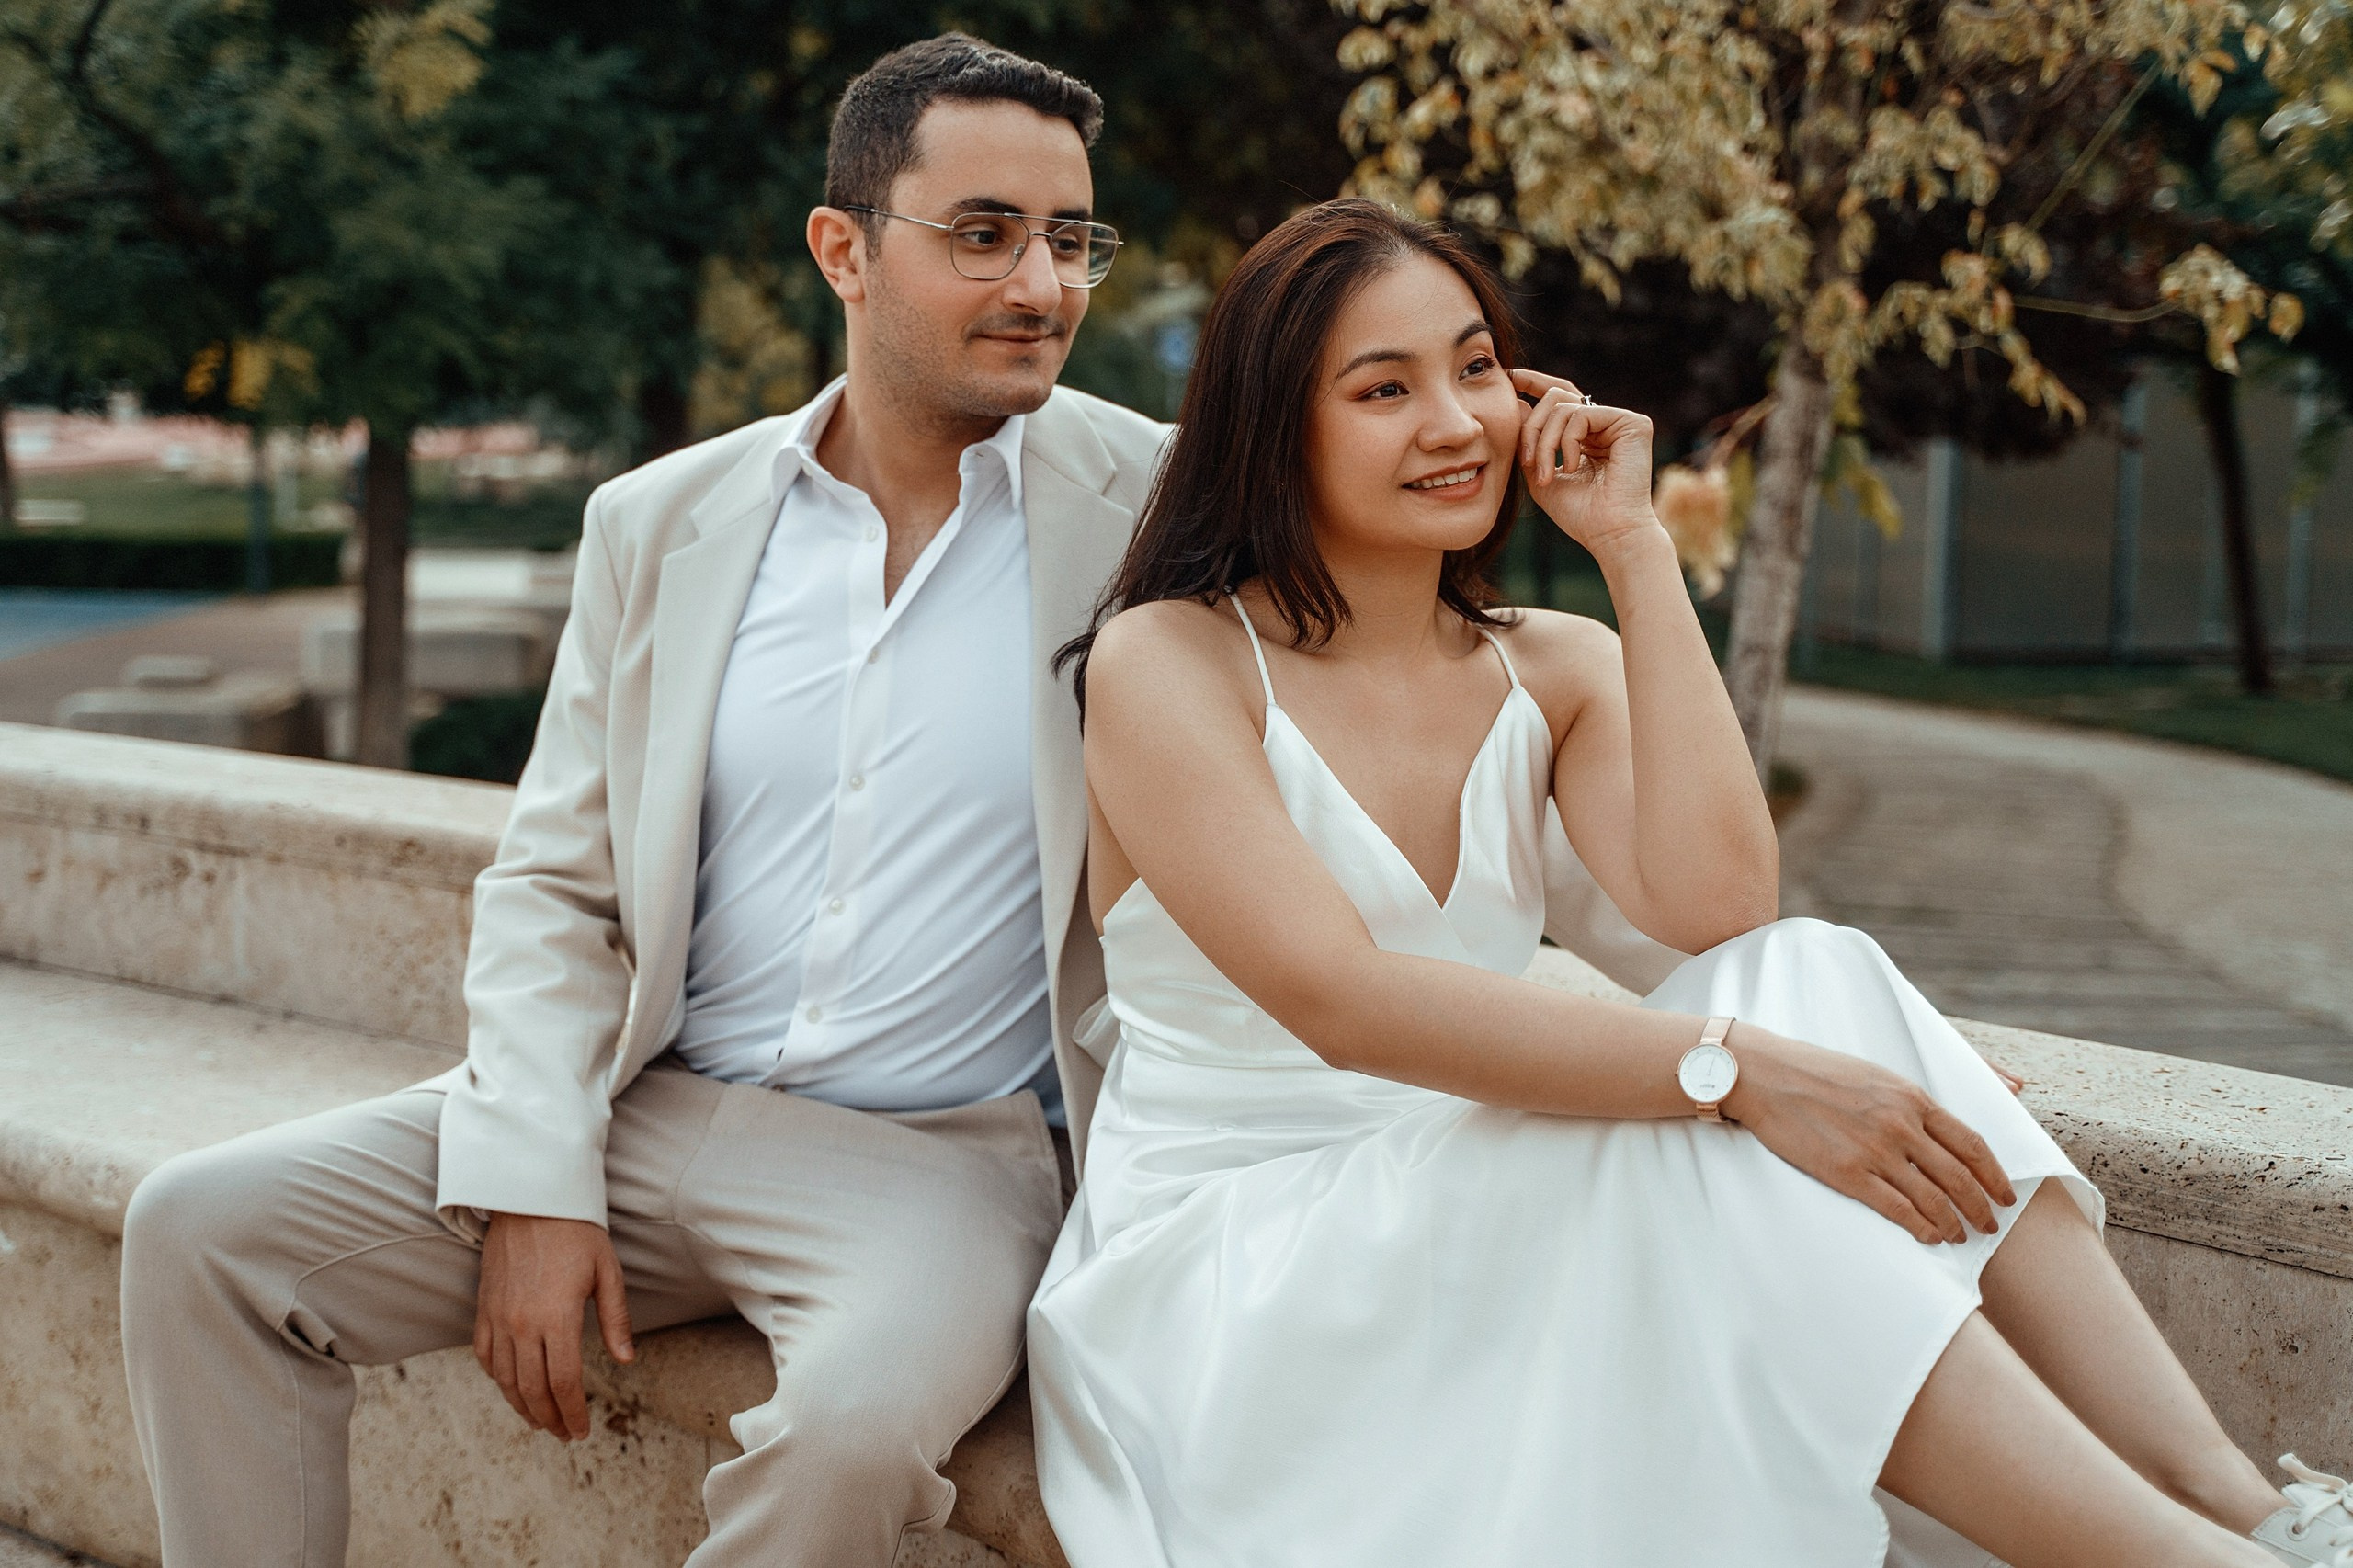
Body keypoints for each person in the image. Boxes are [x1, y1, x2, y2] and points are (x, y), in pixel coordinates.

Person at [1027, 199, 2351, 1568]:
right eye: (1383, 388)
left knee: (1819, 973)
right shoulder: (1169, 662)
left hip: (1480, 1187)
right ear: (1273, 426)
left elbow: (1722, 904)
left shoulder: (1544, 660)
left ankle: (2252, 1504)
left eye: (1478, 367)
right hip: (1250, 1260)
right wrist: (1746, 1072)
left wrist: (1636, 550)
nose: (1456, 421)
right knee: (1704, 1102)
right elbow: (1345, 1001)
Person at [118, 34, 1164, 1568]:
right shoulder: (662, 519)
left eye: (1071, 242)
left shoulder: (1160, 507)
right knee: (197, 1230)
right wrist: (536, 1176)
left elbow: (1406, 536)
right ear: (843, 249)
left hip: (947, 1160)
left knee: (853, 1441)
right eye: (986, 234)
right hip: (642, 1103)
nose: (1042, 287)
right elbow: (558, 882)